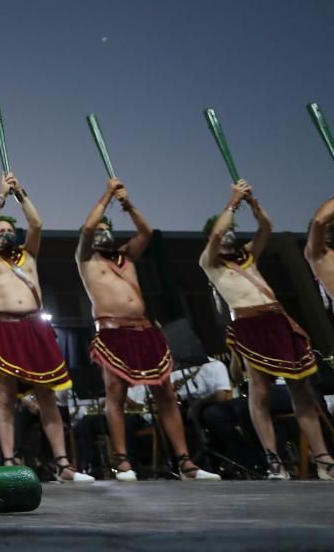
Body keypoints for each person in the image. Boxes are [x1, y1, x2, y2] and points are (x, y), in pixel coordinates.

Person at [77, 178, 218, 481]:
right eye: (99, 229)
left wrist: (127, 204)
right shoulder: (86, 259)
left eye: (106, 229)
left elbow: (146, 231)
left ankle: (185, 461)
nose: (102, 232)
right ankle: (123, 462)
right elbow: (87, 229)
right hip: (112, 333)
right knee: (115, 391)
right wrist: (107, 195)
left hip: (144, 331)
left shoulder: (126, 257)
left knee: (166, 392)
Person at [200, 179, 331, 481]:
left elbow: (266, 229)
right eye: (223, 234)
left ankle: (323, 458)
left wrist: (254, 206)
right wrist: (232, 202)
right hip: (249, 325)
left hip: (278, 321)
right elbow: (218, 231)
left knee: (303, 391)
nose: (228, 236)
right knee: (259, 392)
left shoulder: (247, 255)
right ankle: (274, 461)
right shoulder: (210, 262)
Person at [0, 173, 91, 482]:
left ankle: (64, 464)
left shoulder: (28, 256)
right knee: (5, 396)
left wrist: (19, 194)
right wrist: (0, 195)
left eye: (9, 230)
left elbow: (37, 224)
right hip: (4, 328)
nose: (3, 233)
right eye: (0, 230)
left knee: (46, 396)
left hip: (34, 328)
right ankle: (9, 460)